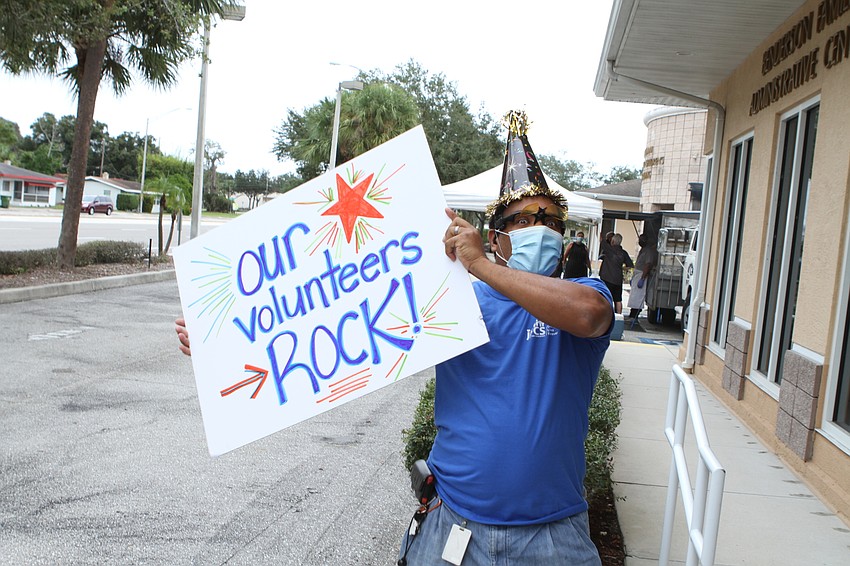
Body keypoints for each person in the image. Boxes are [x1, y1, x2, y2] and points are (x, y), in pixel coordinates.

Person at [175, 111, 614, 565]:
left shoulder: (587, 295)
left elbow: (589, 316)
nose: (537, 229)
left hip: (552, 538)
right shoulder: (450, 299)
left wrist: (479, 266)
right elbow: (329, 324)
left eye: (551, 221)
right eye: (521, 220)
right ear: (497, 236)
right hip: (454, 528)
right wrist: (219, 344)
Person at [598, 233, 633, 314]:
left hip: (607, 278)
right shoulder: (623, 253)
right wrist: (621, 268)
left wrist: (599, 230)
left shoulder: (608, 249)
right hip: (618, 279)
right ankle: (619, 316)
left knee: (606, 298)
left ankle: (606, 315)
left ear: (613, 241)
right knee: (618, 300)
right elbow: (630, 265)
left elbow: (601, 240)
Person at [627, 233, 658, 322]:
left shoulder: (648, 251)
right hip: (637, 274)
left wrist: (643, 278)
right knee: (633, 296)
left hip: (641, 274)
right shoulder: (643, 249)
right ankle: (632, 314)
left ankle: (634, 315)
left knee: (637, 296)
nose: (640, 241)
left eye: (641, 239)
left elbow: (647, 264)